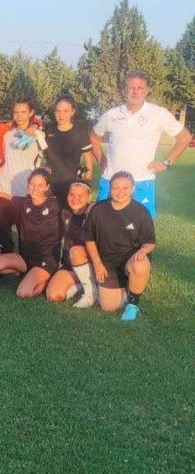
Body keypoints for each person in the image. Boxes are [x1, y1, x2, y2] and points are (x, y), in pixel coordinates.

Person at [90, 70, 191, 217]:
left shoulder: (158, 113)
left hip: (142, 181)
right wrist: (101, 159)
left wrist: (166, 163)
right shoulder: (111, 114)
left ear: (146, 91)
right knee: (102, 224)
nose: (135, 92)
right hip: (111, 180)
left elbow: (185, 137)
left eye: (140, 88)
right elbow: (94, 137)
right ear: (123, 91)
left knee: (140, 228)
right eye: (131, 88)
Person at [85, 171, 155, 321]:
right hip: (108, 263)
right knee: (109, 308)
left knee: (140, 265)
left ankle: (133, 303)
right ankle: (130, 286)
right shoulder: (98, 209)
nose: (120, 192)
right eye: (115, 187)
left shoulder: (141, 212)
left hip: (130, 261)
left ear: (133, 189)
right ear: (110, 188)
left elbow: (150, 242)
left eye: (125, 188)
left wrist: (143, 251)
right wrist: (97, 263)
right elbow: (89, 239)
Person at [0, 169, 62, 299]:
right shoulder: (24, 203)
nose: (35, 188)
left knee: (23, 293)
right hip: (25, 258)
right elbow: (8, 197)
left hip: (45, 260)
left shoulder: (55, 206)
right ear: (28, 184)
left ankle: (46, 280)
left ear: (47, 187)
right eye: (32, 184)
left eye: (40, 185)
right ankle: (27, 275)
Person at [44, 180, 97, 305]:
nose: (75, 199)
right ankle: (80, 284)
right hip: (70, 264)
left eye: (80, 195)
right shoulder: (64, 213)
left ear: (89, 197)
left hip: (93, 264)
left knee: (76, 251)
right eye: (72, 194)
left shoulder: (96, 213)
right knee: (53, 295)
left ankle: (91, 293)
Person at [44, 95, 93, 207]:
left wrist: (87, 186)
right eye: (58, 111)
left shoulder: (80, 132)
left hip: (70, 187)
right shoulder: (48, 131)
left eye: (66, 111)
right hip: (49, 186)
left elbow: (88, 161)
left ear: (72, 112)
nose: (61, 115)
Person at [0, 98, 47, 197]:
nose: (19, 116)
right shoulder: (7, 134)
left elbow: (47, 158)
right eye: (16, 112)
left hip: (25, 189)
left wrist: (35, 125)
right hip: (3, 188)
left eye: (23, 112)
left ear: (31, 113)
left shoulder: (38, 135)